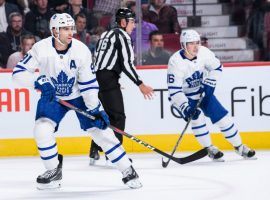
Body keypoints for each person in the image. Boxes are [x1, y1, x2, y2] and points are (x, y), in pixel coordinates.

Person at [12, 13, 142, 190]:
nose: (70, 32)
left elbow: (88, 85)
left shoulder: (81, 50)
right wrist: (39, 82)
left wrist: (96, 110)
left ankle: (128, 170)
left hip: (79, 95)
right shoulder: (40, 48)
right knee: (41, 130)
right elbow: (18, 74)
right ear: (54, 31)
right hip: (53, 97)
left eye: (71, 28)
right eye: (65, 28)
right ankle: (53, 171)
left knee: (101, 132)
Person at [167, 29, 256, 161]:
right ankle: (210, 148)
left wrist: (210, 82)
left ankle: (239, 147)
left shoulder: (204, 52)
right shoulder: (176, 62)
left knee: (223, 118)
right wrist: (185, 107)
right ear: (183, 45)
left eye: (197, 42)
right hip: (186, 96)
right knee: (197, 120)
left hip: (203, 92)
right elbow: (174, 90)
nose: (196, 46)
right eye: (191, 43)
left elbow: (217, 67)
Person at [89, 8, 154, 165]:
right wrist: (140, 84)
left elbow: (97, 60)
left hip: (97, 79)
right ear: (123, 22)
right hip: (107, 80)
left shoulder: (105, 35)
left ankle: (94, 150)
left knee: (105, 117)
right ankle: (115, 155)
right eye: (132, 22)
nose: (134, 26)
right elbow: (127, 64)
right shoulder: (123, 36)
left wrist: (107, 83)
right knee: (118, 117)